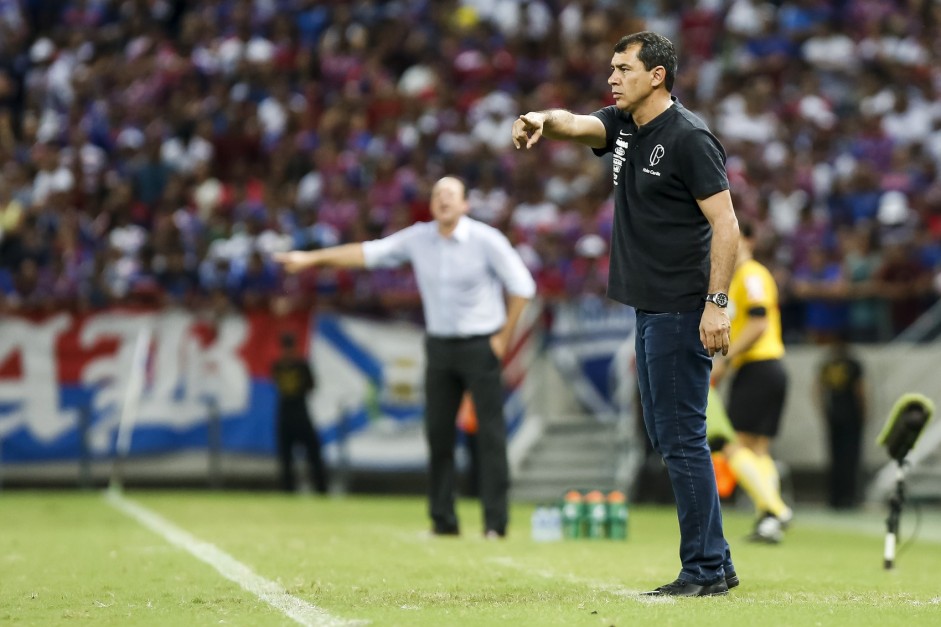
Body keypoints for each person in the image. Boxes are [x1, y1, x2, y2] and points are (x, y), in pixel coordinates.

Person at [512, 31, 739, 596]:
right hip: (649, 308)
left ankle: (705, 569)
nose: (611, 78)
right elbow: (573, 122)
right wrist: (541, 118)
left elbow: (727, 224)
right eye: (611, 68)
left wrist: (716, 304)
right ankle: (717, 562)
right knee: (671, 438)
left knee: (681, 439)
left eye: (623, 68)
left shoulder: (688, 137)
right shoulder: (622, 125)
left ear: (657, 75)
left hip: (681, 308)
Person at [274, 176, 535, 538]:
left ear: (465, 205)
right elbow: (368, 253)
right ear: (431, 204)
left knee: (490, 436)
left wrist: (503, 339)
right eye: (437, 194)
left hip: (480, 345)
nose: (443, 200)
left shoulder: (486, 240)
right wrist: (311, 259)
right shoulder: (419, 238)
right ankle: (443, 521)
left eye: (451, 195)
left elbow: (523, 286)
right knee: (438, 434)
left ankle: (496, 523)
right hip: (440, 347)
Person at [710, 221, 793, 543]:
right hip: (765, 367)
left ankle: (776, 508)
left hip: (759, 366)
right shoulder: (734, 281)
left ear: (749, 241)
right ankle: (769, 521)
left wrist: (727, 361)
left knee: (733, 446)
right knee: (759, 450)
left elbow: (758, 322)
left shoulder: (752, 275)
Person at [271, 332, 329, 494]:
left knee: (304, 455)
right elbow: (312, 386)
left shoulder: (279, 366)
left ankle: (317, 489)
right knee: (298, 456)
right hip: (295, 414)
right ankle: (299, 490)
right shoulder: (300, 366)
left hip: (291, 414)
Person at [815, 333, 867, 509]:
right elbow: (860, 390)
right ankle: (850, 498)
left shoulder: (827, 365)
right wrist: (864, 413)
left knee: (835, 458)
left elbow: (817, 390)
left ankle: (835, 498)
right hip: (851, 416)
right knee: (850, 458)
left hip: (834, 415)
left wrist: (824, 412)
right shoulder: (853, 364)